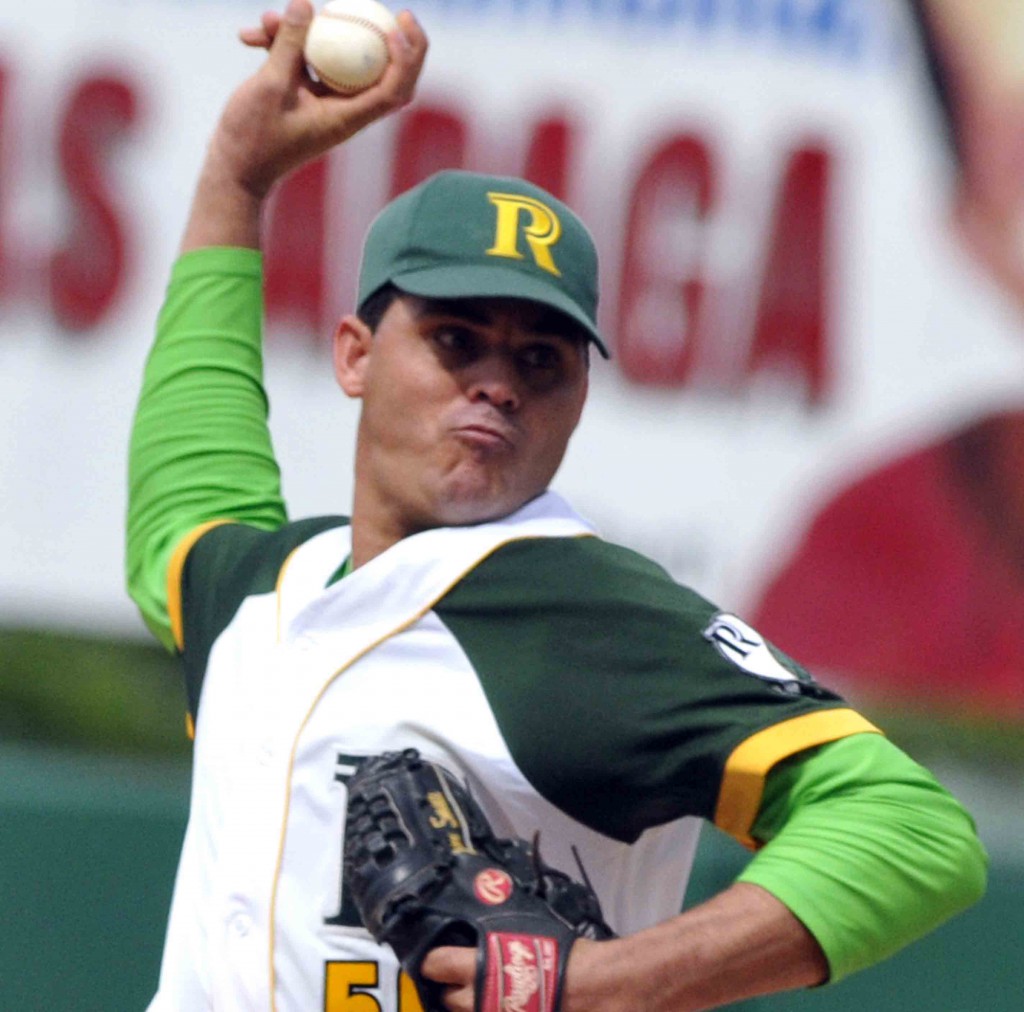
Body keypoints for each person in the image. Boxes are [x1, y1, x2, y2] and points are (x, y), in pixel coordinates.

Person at [125, 2, 986, 1009]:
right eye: (456, 339)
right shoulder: (260, 594)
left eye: (540, 357)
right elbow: (189, 488)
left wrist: (609, 980)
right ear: (355, 356)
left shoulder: (586, 613)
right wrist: (238, 174)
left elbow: (913, 829)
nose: (497, 381)